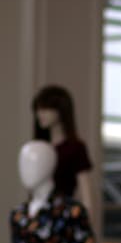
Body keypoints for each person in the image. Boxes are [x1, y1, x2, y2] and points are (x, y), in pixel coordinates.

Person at [31, 85, 97, 220]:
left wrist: (85, 220)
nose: (40, 114)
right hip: (38, 213)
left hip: (63, 216)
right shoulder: (38, 148)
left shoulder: (75, 148)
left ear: (61, 110)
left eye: (45, 109)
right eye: (38, 109)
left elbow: (86, 193)